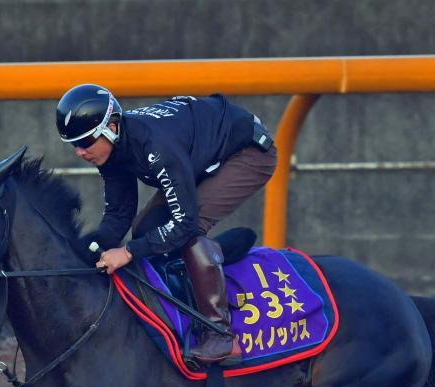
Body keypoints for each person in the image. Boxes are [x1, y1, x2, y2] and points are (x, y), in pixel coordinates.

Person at [55, 83, 277, 365]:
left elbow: (183, 223)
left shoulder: (154, 147)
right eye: (74, 144)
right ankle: (206, 264)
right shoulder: (113, 149)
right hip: (201, 155)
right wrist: (87, 250)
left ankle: (220, 334)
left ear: (111, 127)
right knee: (147, 232)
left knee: (188, 231)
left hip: (246, 152)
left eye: (85, 142)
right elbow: (118, 216)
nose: (79, 152)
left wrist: (127, 252)